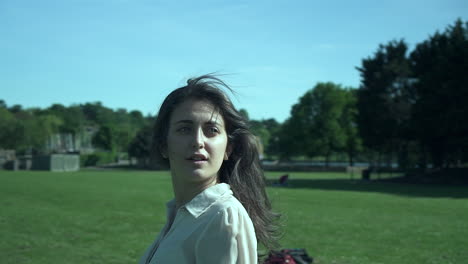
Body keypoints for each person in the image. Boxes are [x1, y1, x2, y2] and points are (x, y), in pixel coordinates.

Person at [139, 75, 279, 264]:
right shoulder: (181, 214)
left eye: (211, 130)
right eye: (184, 129)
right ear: (164, 145)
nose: (198, 141)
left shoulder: (222, 216)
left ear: (228, 148)